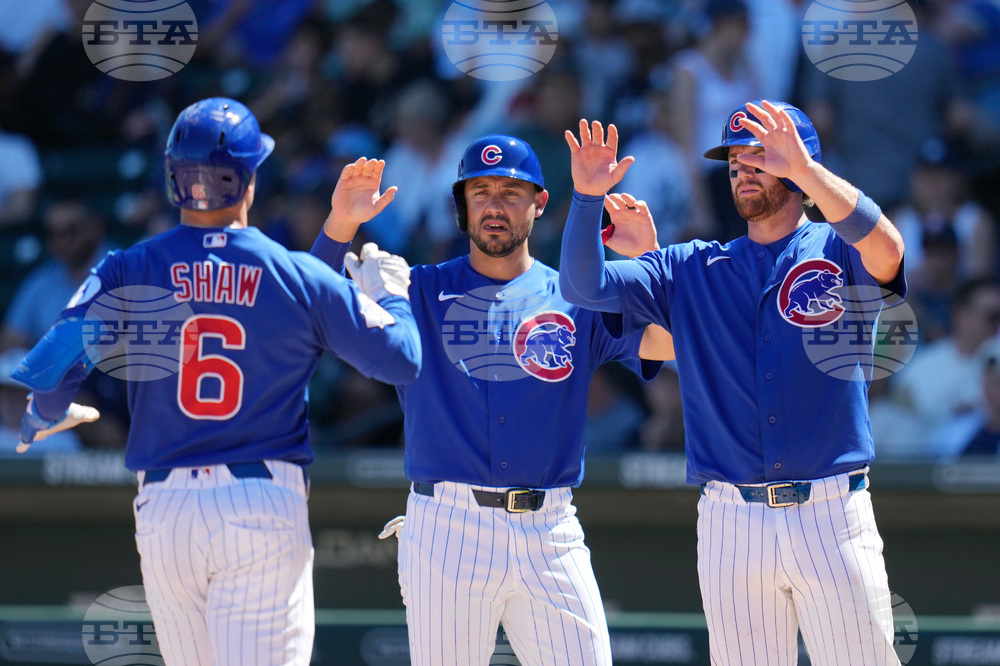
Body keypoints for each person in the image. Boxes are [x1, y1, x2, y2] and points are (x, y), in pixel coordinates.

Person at [11, 97, 421, 666]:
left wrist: (41, 417)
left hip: (165, 509)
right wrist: (391, 295)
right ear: (250, 178)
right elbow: (401, 359)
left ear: (175, 178)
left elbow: (53, 368)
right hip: (258, 501)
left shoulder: (129, 265)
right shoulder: (291, 272)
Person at [560, 101, 906, 665]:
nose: (742, 169)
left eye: (759, 157)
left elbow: (888, 249)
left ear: (799, 165)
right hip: (731, 519)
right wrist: (586, 198)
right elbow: (582, 285)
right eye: (734, 162)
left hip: (832, 512)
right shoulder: (692, 264)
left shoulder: (836, 249)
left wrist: (806, 171)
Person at [310, 135, 674, 665]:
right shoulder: (419, 289)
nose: (494, 205)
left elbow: (665, 342)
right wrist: (340, 223)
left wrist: (647, 258)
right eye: (480, 192)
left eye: (510, 191)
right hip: (447, 526)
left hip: (549, 527)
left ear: (539, 203)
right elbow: (309, 312)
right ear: (463, 206)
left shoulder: (575, 295)